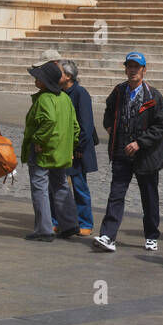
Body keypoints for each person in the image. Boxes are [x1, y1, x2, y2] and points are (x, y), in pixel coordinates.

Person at [92, 52, 163, 253]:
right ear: (125, 68)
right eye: (130, 66)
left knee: (149, 197)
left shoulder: (153, 95)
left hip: (146, 156)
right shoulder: (118, 91)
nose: (133, 70)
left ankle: (151, 235)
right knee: (116, 194)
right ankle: (108, 235)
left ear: (144, 69)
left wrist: (140, 143)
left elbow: (160, 126)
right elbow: (108, 113)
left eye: (137, 67)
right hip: (121, 152)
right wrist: (111, 128)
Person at [22, 60, 80, 242]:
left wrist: (38, 140)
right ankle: (70, 223)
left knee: (40, 188)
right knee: (61, 185)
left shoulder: (45, 99)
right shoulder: (64, 98)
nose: (35, 80)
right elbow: (75, 128)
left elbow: (49, 122)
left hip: (44, 152)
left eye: (38, 77)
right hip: (60, 151)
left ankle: (44, 229)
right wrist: (69, 146)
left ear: (45, 81)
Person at [59, 59, 98, 237]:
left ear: (68, 76)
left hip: (78, 150)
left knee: (79, 185)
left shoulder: (80, 93)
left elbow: (86, 124)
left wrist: (79, 147)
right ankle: (62, 220)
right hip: (62, 148)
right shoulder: (60, 92)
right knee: (59, 185)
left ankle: (85, 222)